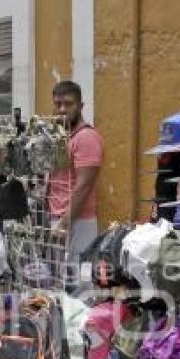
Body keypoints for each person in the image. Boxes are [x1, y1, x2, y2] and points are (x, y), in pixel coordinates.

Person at [47, 80, 103, 271]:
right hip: (59, 219)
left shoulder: (86, 137)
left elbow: (84, 185)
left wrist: (64, 224)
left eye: (68, 104)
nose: (62, 109)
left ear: (80, 106)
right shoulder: (61, 137)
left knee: (80, 281)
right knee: (61, 280)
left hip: (77, 221)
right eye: (57, 104)